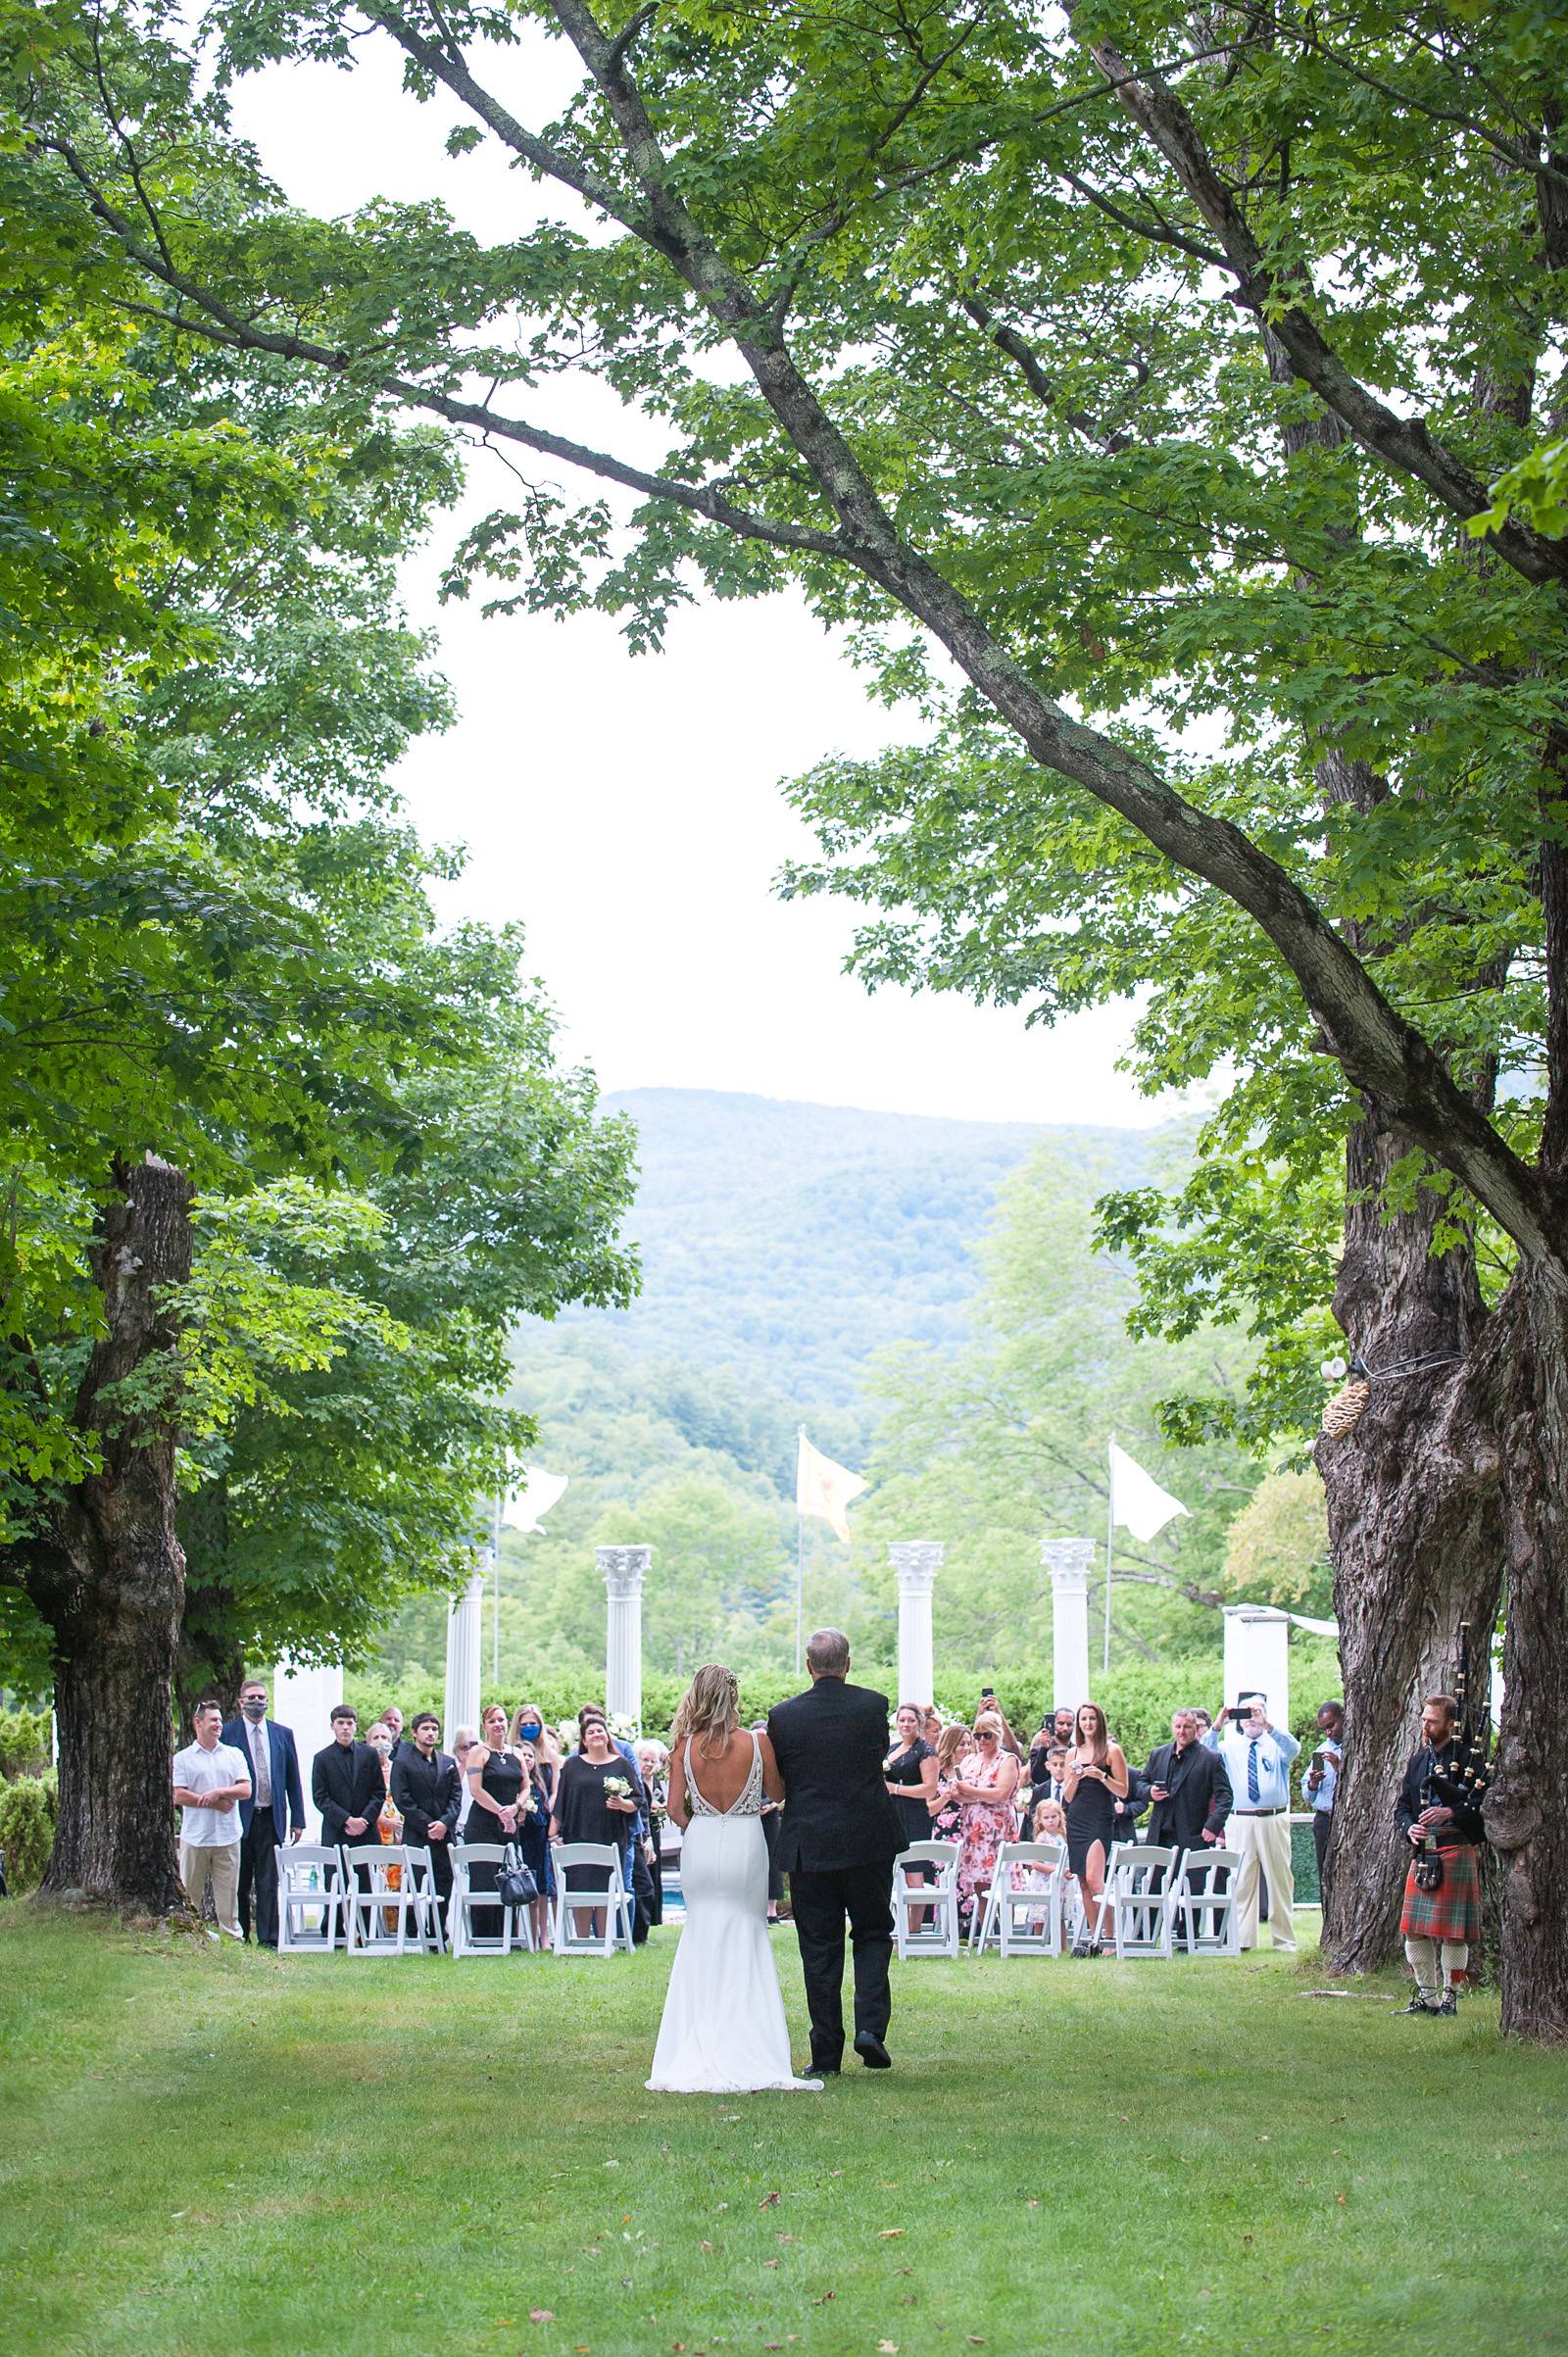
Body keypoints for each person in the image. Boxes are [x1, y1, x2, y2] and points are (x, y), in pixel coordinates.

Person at [647, 1666, 821, 2093]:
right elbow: (778, 1793)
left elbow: (673, 1809)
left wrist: (701, 1827)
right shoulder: (758, 1743)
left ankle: (698, 2036)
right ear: (733, 1696)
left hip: (702, 1840)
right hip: (745, 1838)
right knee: (747, 1931)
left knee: (702, 1932)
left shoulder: (684, 1746)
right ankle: (748, 2042)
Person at [767, 1628, 906, 2076]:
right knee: (871, 1933)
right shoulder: (873, 1706)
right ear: (848, 1664)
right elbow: (875, 1757)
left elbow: (783, 1776)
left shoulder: (783, 1716)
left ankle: (826, 2054)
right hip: (867, 1839)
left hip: (811, 1843)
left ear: (809, 1666)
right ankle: (870, 2029)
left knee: (819, 1947)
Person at [1395, 1693, 1486, 2017]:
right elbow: (1403, 1807)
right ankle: (1427, 1998)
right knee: (1413, 1929)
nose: (1425, 1726)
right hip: (1423, 1851)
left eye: (1431, 1721)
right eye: (1423, 1719)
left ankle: (1450, 1999)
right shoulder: (1418, 1760)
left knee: (1452, 1932)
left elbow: (1483, 1807)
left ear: (1450, 1724)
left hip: (1454, 1847)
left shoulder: (1471, 1759)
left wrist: (1449, 1811)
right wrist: (1409, 1828)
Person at [1202, 1690, 1299, 1952]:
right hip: (1241, 1819)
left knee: (1280, 1878)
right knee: (1242, 1879)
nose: (1251, 1719)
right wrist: (1218, 1724)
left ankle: (1284, 1940)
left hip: (1273, 1818)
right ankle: (1243, 1938)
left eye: (1256, 1713)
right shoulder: (1228, 1747)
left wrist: (1268, 1724)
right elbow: (1203, 1752)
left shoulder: (1275, 1744)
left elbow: (1294, 1748)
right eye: (1245, 1714)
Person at [220, 1677, 305, 1947]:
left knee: (269, 1882)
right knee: (241, 1880)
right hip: (239, 1818)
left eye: (261, 1697)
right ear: (240, 1702)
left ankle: (269, 1937)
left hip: (271, 1817)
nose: (257, 1702)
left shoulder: (282, 1734)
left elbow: (292, 1778)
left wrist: (298, 1819)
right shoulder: (228, 1734)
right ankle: (241, 1934)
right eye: (251, 1698)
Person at [172, 1701, 251, 1938]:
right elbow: (179, 1794)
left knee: (228, 1894)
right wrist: (214, 1802)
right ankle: (192, 1937)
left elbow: (245, 1790)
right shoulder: (183, 1758)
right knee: (190, 1893)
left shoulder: (233, 1754)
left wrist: (220, 1792)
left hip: (227, 1836)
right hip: (195, 1836)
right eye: (213, 1720)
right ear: (198, 1723)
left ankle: (232, 1938)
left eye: (220, 1720)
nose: (219, 1724)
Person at [1062, 1702, 1130, 1954]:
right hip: (1077, 1817)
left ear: (1099, 1721)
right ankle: (1095, 1937)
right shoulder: (1073, 1753)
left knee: (1095, 1878)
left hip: (1099, 1817)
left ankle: (1111, 1937)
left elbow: (1123, 1790)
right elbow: (1068, 1797)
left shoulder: (1111, 1751)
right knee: (1082, 1881)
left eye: (1092, 1719)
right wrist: (1076, 1778)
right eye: (1083, 1719)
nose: (1088, 1724)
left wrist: (1101, 1776)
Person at [391, 1710, 462, 1928]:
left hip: (444, 1834)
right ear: (414, 1732)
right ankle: (414, 1931)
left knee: (444, 1882)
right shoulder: (402, 1762)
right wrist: (427, 1825)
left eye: (434, 1729)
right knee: (416, 1882)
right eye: (425, 1729)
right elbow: (402, 1798)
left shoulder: (448, 1762)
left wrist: (444, 1823)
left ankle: (439, 1930)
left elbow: (456, 1797)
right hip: (417, 1833)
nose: (431, 1733)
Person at [953, 1709, 1021, 1932]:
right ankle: (986, 1931)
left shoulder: (1007, 1759)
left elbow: (1001, 1794)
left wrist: (972, 1792)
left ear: (998, 1735)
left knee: (1002, 1883)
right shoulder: (970, 1760)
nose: (982, 1740)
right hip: (974, 1830)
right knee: (980, 1886)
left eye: (987, 1735)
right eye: (977, 1735)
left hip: (998, 1831)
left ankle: (1006, 1932)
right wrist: (981, 1794)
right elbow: (957, 1793)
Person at [466, 1702, 530, 1937]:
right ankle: (483, 1936)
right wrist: (501, 1812)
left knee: (509, 1879)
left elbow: (526, 1787)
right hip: (483, 1823)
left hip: (510, 1824)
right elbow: (476, 1790)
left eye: (501, 1720)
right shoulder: (478, 1752)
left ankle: (508, 1935)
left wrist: (515, 1808)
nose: (498, 1725)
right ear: (485, 1726)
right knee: (484, 1878)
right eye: (492, 1721)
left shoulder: (517, 1753)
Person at [1143, 1709, 1233, 1856]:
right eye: (1178, 1727)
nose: (1182, 1731)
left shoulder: (1211, 1759)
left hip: (1194, 1836)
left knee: (1195, 1879)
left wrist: (1213, 1825)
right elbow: (1141, 1782)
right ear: (1173, 1728)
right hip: (1159, 1837)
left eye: (1187, 1727)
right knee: (1157, 1879)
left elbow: (1225, 1796)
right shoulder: (1158, 1754)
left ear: (1196, 1729)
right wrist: (1149, 1791)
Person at [312, 1706, 384, 1863]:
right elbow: (320, 1797)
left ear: (355, 1726)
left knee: (368, 1886)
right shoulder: (322, 1758)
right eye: (340, 1723)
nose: (345, 1727)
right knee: (336, 1884)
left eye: (350, 1723)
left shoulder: (370, 1754)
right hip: (336, 1831)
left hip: (367, 1832)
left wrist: (364, 1820)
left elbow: (379, 1792)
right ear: (332, 1726)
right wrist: (347, 1820)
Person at [1303, 1700, 1345, 1910]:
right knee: (1324, 1872)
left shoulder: (1354, 1747)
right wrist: (1313, 1783)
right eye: (1324, 1729)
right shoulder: (1321, 1751)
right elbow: (1307, 1795)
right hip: (1323, 1819)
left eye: (1331, 1725)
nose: (1328, 1732)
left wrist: (1339, 1767)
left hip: (1345, 1820)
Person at [884, 1702, 939, 1851]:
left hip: (914, 1814)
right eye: (902, 1720)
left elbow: (930, 1789)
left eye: (911, 1720)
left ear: (920, 1723)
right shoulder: (892, 1748)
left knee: (914, 1866)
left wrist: (895, 1789)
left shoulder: (925, 1750)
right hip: (891, 1813)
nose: (906, 1724)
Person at [636, 1739, 670, 1925]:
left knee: (655, 1871)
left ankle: (655, 1917)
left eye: (652, 1761)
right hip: (641, 1829)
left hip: (654, 1829)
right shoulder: (635, 1780)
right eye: (645, 1760)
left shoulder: (655, 1781)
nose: (648, 1764)